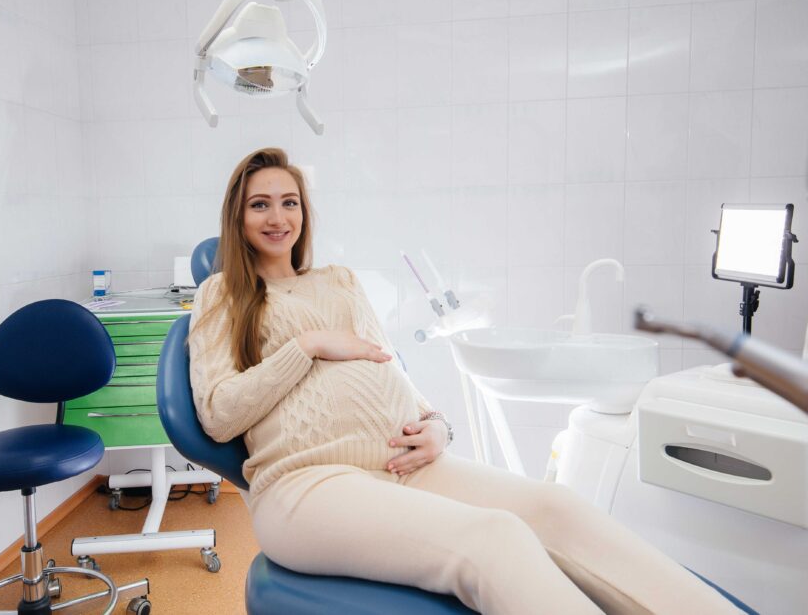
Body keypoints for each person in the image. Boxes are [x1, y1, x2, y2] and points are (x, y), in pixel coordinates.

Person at [187, 147, 739, 614]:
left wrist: (437, 427)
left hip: (402, 465)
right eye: (260, 204)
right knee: (497, 541)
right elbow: (218, 412)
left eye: (290, 202)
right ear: (237, 216)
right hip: (308, 485)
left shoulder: (339, 281)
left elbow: (390, 370)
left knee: (556, 508)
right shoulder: (220, 296)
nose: (277, 216)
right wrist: (305, 347)